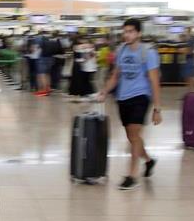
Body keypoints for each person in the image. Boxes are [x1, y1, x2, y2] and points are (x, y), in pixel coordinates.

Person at [97, 18, 162, 190]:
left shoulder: (148, 53)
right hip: (122, 98)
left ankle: (132, 176)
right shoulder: (121, 50)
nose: (127, 35)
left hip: (140, 97)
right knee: (133, 137)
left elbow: (154, 81)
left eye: (131, 31)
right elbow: (115, 76)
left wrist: (157, 108)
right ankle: (148, 160)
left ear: (139, 33)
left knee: (133, 136)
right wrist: (104, 91)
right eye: (125, 31)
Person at [68, 36, 96, 101]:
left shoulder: (80, 47)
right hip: (82, 66)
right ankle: (85, 93)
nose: (84, 41)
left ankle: (85, 93)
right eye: (83, 39)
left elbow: (87, 54)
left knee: (84, 80)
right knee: (83, 80)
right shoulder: (78, 47)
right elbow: (85, 51)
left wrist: (83, 59)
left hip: (83, 66)